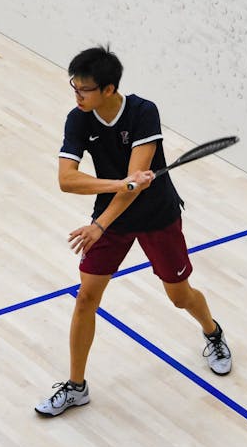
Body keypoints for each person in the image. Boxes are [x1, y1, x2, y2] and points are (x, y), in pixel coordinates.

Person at [35, 46, 232, 417]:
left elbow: (136, 189)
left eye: (84, 89)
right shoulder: (78, 119)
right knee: (86, 298)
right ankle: (77, 386)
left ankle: (212, 331)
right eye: (73, 87)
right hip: (111, 214)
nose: (76, 95)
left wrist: (100, 222)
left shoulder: (143, 113)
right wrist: (118, 185)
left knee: (179, 296)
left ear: (108, 89)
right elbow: (67, 180)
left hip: (157, 215)